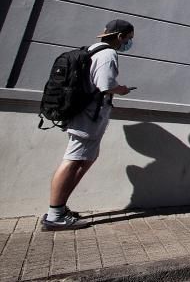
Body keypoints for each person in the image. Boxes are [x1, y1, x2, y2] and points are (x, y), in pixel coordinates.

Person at [42, 20, 135, 230]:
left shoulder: (92, 50)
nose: (128, 43)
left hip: (83, 113)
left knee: (83, 159)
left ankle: (59, 209)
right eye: (128, 38)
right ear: (120, 36)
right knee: (73, 160)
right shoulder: (108, 54)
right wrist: (122, 90)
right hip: (89, 116)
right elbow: (106, 85)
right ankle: (55, 214)